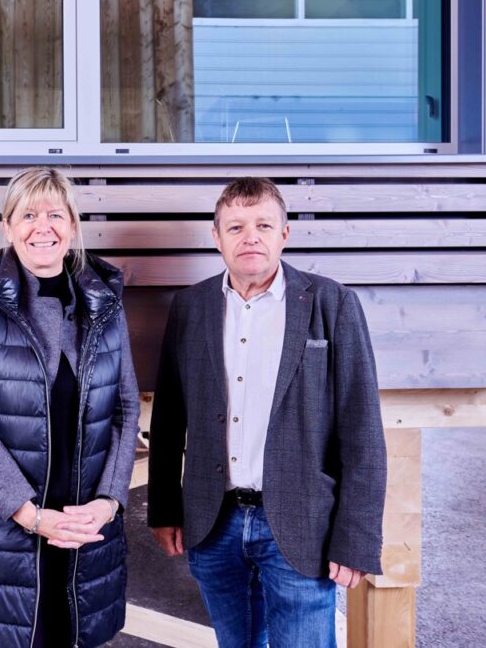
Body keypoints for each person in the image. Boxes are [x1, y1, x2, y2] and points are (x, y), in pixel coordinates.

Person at [147, 177, 387, 647]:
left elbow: (362, 431)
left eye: (263, 224)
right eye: (235, 227)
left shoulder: (332, 304)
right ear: (217, 238)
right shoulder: (190, 307)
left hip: (300, 525)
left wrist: (356, 536)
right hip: (214, 522)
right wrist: (164, 508)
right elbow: (169, 418)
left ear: (284, 234)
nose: (250, 236)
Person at [0, 167, 141, 647]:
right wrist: (29, 514)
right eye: (28, 214)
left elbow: (127, 407)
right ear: (8, 227)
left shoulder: (105, 303)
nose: (42, 226)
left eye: (55, 213)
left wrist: (108, 502)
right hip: (2, 537)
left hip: (84, 531)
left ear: (72, 225)